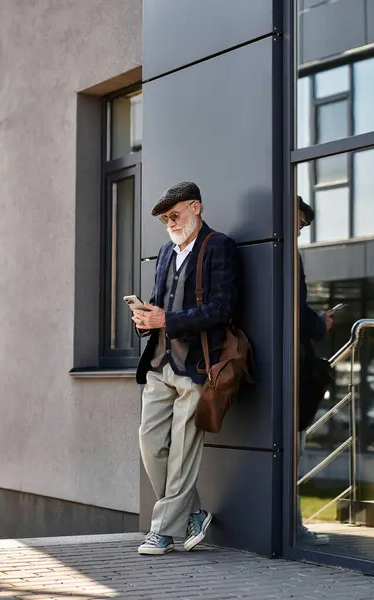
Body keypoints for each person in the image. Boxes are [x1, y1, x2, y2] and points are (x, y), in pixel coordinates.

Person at [131, 182, 240, 555]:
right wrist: (145, 320)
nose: (170, 223)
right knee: (150, 442)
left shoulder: (219, 246)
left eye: (174, 215)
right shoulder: (165, 253)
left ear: (196, 207)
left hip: (197, 366)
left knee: (182, 452)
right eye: (165, 219)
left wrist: (169, 319)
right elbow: (159, 305)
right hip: (160, 363)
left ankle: (162, 532)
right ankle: (192, 513)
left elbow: (222, 308)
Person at [297, 195, 333, 545]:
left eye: (306, 224)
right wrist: (320, 324)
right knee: (293, 445)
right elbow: (293, 305)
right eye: (300, 220)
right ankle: (291, 528)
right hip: (291, 362)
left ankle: (292, 526)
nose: (301, 227)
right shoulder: (284, 253)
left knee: (295, 445)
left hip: (290, 359)